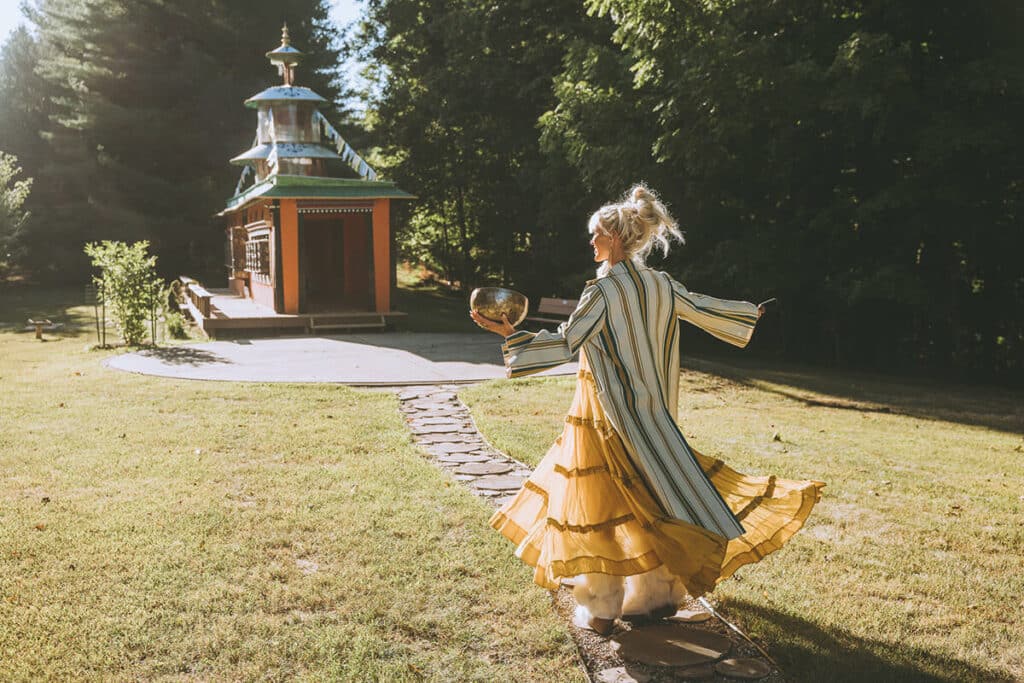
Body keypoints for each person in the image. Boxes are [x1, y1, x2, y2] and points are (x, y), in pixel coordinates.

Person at [470, 184, 824, 636]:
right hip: (654, 418)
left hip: (605, 416)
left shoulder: (601, 292)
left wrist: (508, 335)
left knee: (598, 508)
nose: (592, 243)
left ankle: (601, 608)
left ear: (615, 239)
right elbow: (704, 307)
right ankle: (655, 600)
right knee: (654, 501)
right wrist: (746, 315)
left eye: (596, 235)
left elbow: (566, 342)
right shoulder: (662, 284)